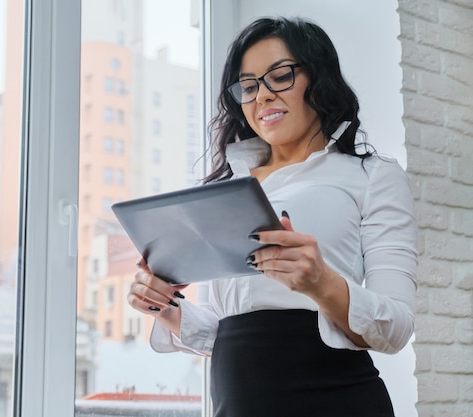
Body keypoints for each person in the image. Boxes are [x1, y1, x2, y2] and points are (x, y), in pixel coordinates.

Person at [127, 16, 417, 417]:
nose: (261, 97)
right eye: (248, 87)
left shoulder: (372, 176)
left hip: (337, 400)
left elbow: (395, 327)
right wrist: (165, 305)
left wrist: (321, 283)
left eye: (279, 76)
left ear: (319, 79)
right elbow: (221, 332)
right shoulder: (222, 192)